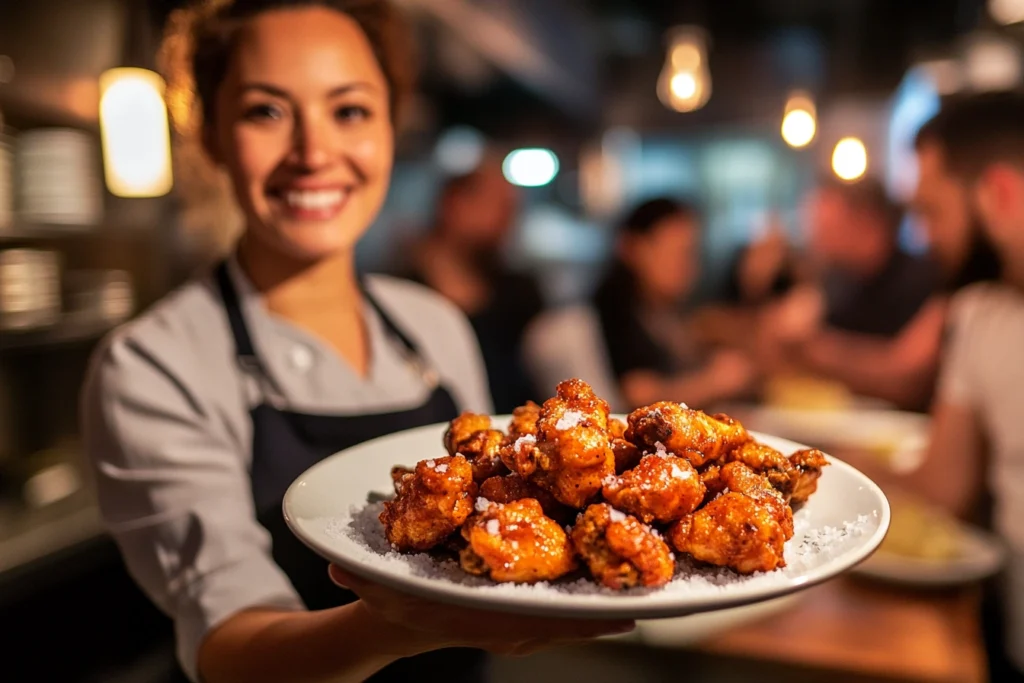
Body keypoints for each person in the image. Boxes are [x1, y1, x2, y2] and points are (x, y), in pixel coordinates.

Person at [80, 3, 632, 682]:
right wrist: (395, 628)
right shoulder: (155, 363)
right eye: (266, 111)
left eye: (349, 111)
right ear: (213, 135)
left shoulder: (434, 326)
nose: (315, 152)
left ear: (389, 126)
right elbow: (226, 647)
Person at [851, 91, 1024, 681]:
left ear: (998, 194)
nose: (925, 238)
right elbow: (944, 486)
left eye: (934, 212)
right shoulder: (980, 313)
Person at [758, 114, 1001, 411]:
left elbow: (906, 377)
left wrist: (808, 347)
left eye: (932, 211)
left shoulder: (938, 278)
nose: (926, 234)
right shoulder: (835, 282)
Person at [401, 163, 544, 413]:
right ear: (453, 204)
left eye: (512, 208)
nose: (507, 218)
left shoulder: (521, 291)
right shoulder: (401, 292)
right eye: (497, 205)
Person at [592, 197, 756, 410]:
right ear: (633, 248)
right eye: (681, 253)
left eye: (694, 254)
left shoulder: (663, 311)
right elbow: (637, 395)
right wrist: (713, 383)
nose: (689, 267)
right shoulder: (609, 313)